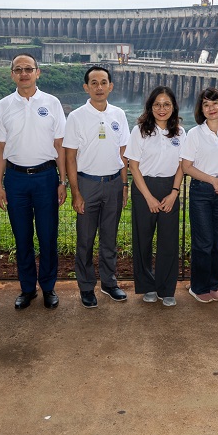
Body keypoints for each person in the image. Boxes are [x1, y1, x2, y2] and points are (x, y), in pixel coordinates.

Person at [0, 54, 67, 310]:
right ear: (12, 74)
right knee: (22, 237)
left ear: (38, 72)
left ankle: (48, 287)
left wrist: (63, 181)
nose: (24, 73)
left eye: (28, 69)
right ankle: (27, 288)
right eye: (18, 69)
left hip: (47, 178)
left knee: (48, 236)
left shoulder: (52, 103)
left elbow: (60, 145)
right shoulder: (3, 105)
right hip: (15, 179)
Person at [64, 66, 130, 308]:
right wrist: (76, 192)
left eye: (104, 82)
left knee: (109, 238)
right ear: (86, 87)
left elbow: (124, 152)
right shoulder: (77, 117)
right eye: (94, 83)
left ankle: (109, 282)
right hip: (87, 183)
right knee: (85, 239)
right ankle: (86, 286)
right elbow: (70, 157)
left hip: (113, 183)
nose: (99, 87)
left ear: (111, 86)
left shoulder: (119, 114)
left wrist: (124, 184)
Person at [125, 86, 186, 307]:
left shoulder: (180, 132)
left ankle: (166, 288)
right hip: (144, 188)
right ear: (151, 107)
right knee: (143, 240)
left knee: (169, 241)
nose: (162, 109)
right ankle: (147, 285)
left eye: (166, 104)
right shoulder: (140, 130)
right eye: (157, 104)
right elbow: (133, 166)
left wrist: (174, 193)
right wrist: (149, 197)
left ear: (173, 107)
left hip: (170, 188)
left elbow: (182, 166)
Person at [180, 88, 218, 303]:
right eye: (206, 105)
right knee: (203, 242)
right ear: (201, 110)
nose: (211, 108)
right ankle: (198, 286)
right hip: (202, 191)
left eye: (215, 103)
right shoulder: (195, 134)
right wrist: (213, 180)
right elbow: (186, 166)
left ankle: (213, 283)